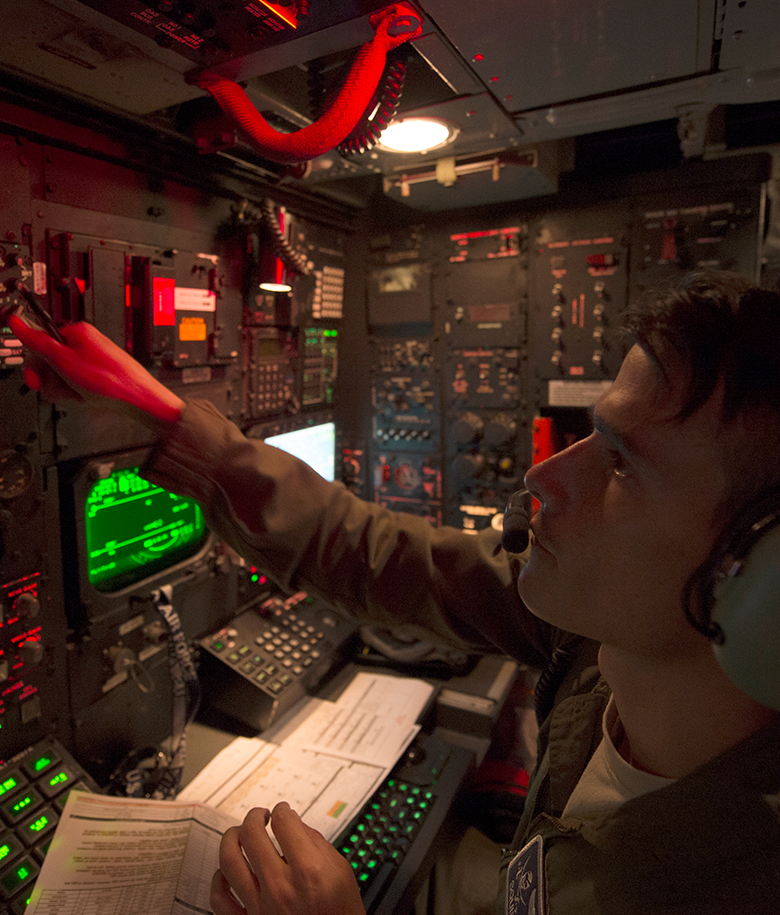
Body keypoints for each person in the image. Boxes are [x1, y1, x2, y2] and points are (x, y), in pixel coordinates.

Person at [6, 270, 780, 915]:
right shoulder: (597, 629)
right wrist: (166, 421)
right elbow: (376, 553)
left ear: (758, 577)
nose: (545, 477)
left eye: (619, 463)